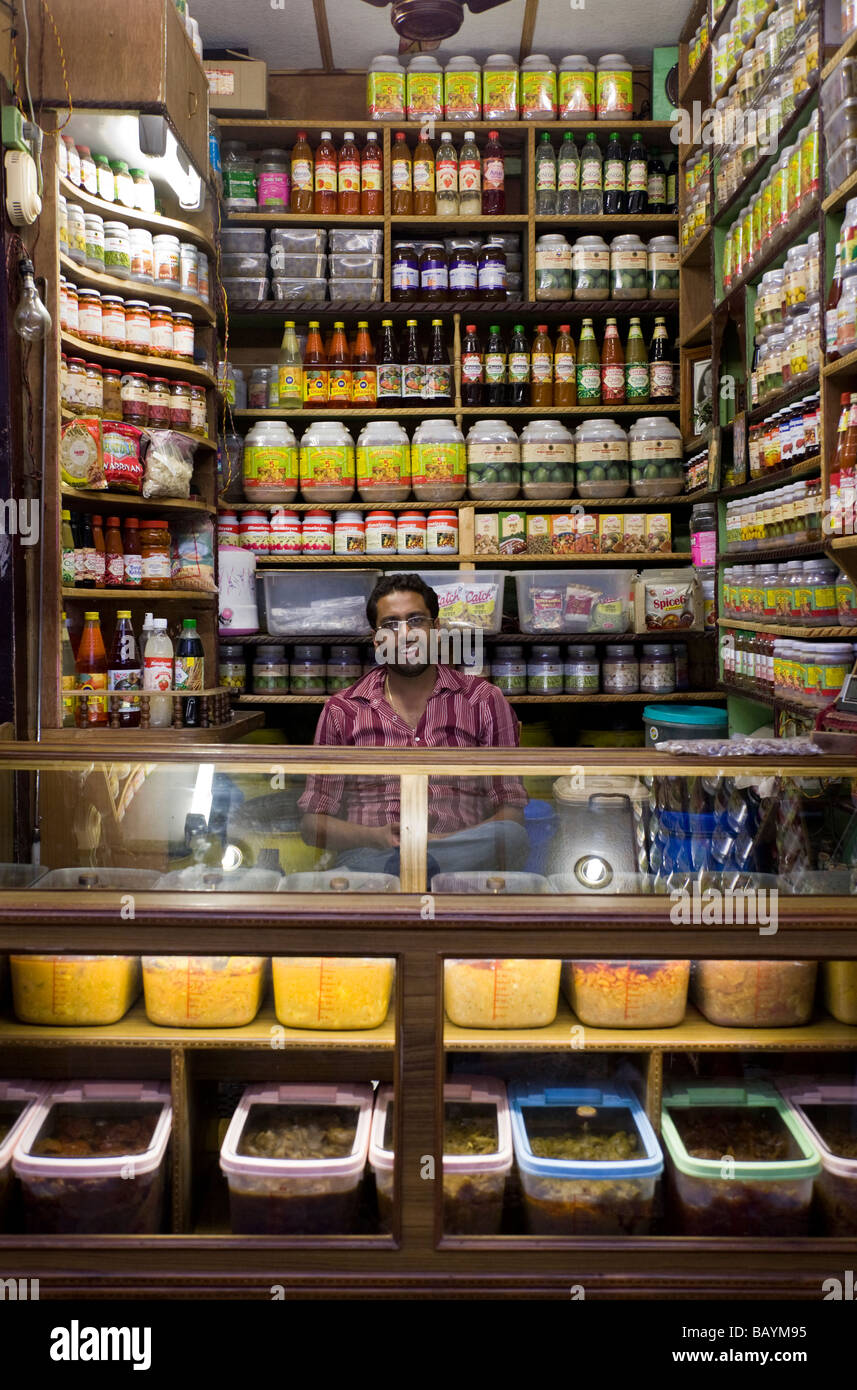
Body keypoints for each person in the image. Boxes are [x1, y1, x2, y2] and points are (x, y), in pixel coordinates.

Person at [298, 574, 528, 876]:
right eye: (391, 625)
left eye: (416, 620)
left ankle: (432, 869)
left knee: (512, 835)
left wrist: (440, 843)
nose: (405, 635)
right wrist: (377, 837)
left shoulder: (482, 700)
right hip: (372, 861)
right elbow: (312, 825)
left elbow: (511, 813)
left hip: (460, 858)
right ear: (376, 638)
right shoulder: (343, 709)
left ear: (435, 628)